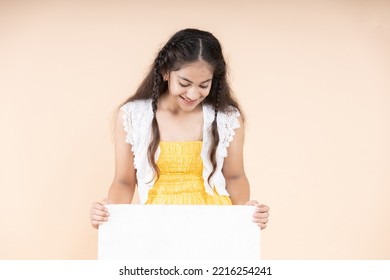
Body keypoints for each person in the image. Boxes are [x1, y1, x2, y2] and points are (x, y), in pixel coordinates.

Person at [90, 28, 270, 230]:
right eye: (184, 83)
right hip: (156, 224)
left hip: (214, 224)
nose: (193, 94)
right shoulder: (133, 115)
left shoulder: (226, 118)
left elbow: (235, 176)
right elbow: (124, 181)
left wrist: (244, 213)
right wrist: (111, 213)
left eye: (204, 85)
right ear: (166, 72)